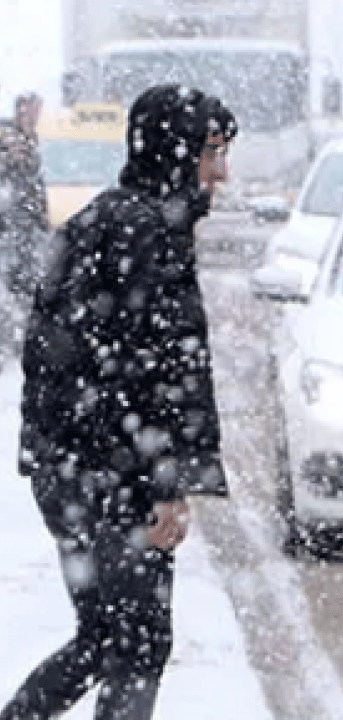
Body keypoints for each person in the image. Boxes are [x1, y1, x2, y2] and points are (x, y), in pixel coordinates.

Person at [0, 83, 235, 720]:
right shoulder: (147, 231)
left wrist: (60, 465)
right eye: (211, 152)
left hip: (72, 470)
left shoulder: (103, 218)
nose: (222, 171)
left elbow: (55, 357)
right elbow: (150, 373)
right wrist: (163, 486)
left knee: (105, 639)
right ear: (175, 151)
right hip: (115, 476)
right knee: (137, 646)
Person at [0, 93, 51, 330]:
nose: (35, 114)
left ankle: (22, 324)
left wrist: (43, 213)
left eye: (37, 110)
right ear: (21, 109)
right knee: (15, 277)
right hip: (12, 221)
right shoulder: (9, 136)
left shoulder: (31, 138)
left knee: (27, 278)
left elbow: (35, 182)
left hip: (28, 223)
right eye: (31, 109)